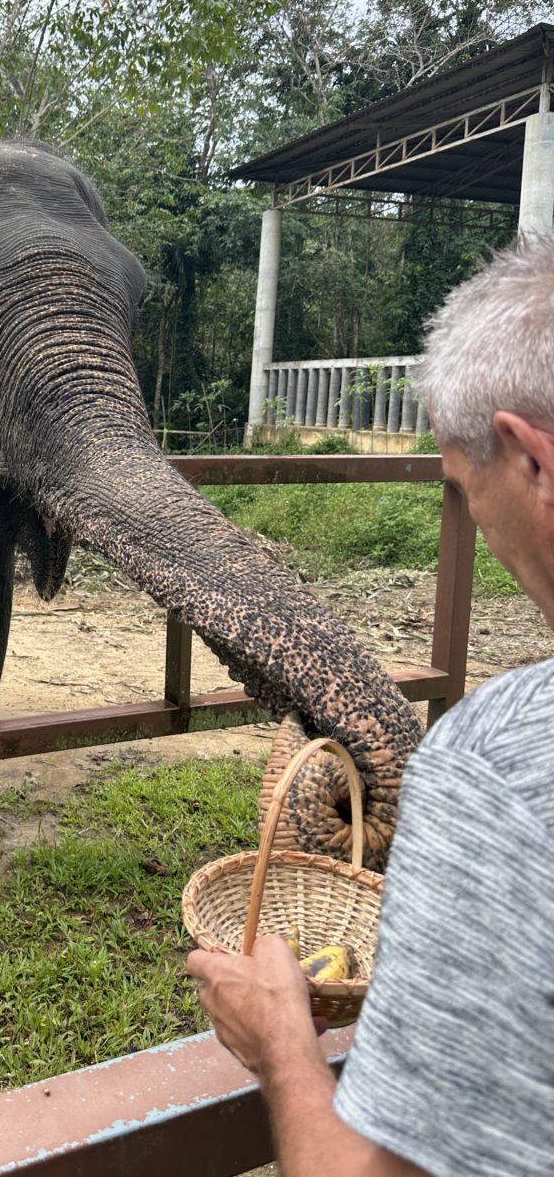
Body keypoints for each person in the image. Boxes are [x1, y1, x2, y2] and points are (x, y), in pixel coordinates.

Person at [187, 234, 554, 1177]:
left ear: (531, 461)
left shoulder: (494, 768)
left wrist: (281, 1051)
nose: (473, 518)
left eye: (462, 489)